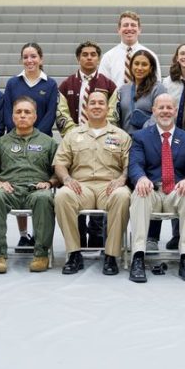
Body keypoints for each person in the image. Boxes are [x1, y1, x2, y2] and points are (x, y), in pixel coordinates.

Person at [53, 88, 132, 276]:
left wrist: (122, 179)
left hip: (110, 187)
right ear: (86, 109)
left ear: (108, 108)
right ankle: (74, 253)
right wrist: (66, 178)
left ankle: (111, 255)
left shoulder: (121, 136)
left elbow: (130, 165)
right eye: (93, 103)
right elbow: (60, 163)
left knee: (123, 196)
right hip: (82, 187)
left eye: (101, 103)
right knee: (63, 195)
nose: (97, 106)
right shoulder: (73, 135)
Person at [127, 93, 185, 283]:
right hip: (152, 191)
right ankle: (138, 256)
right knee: (139, 193)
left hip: (176, 192)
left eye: (169, 108)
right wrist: (141, 178)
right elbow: (135, 165)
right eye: (161, 107)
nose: (165, 111)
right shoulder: (140, 137)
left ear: (176, 111)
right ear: (154, 111)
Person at [0, 96, 59, 274]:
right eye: (19, 112)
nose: (23, 115)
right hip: (10, 189)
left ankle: (41, 254)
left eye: (27, 112)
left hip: (36, 189)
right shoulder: (1, 143)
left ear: (35, 116)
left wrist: (49, 182)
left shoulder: (49, 143)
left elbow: (58, 173)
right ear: (12, 117)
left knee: (44, 198)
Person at [56, 41, 118, 135]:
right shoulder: (66, 84)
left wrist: (100, 132)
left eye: (93, 55)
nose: (89, 58)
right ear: (78, 58)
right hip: (73, 137)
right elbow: (61, 112)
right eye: (85, 55)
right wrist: (74, 133)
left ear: (98, 59)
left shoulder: (109, 85)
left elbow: (113, 114)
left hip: (101, 136)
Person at [3, 42, 59, 136]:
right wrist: (17, 134)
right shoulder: (12, 83)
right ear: (21, 60)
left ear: (41, 59)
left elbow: (50, 115)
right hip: (15, 139)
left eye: (33, 56)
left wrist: (36, 137)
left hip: (42, 139)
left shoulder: (51, 84)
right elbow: (7, 112)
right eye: (25, 57)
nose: (29, 60)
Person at [117, 48, 166, 135]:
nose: (139, 68)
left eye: (144, 64)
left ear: (151, 68)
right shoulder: (123, 89)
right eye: (136, 64)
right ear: (131, 66)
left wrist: (143, 135)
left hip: (148, 138)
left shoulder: (158, 88)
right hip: (125, 140)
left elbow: (161, 114)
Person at [99, 10, 146, 86]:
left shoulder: (150, 55)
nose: (129, 28)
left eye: (133, 25)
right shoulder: (108, 57)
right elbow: (102, 86)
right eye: (125, 25)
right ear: (119, 30)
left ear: (139, 30)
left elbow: (156, 85)